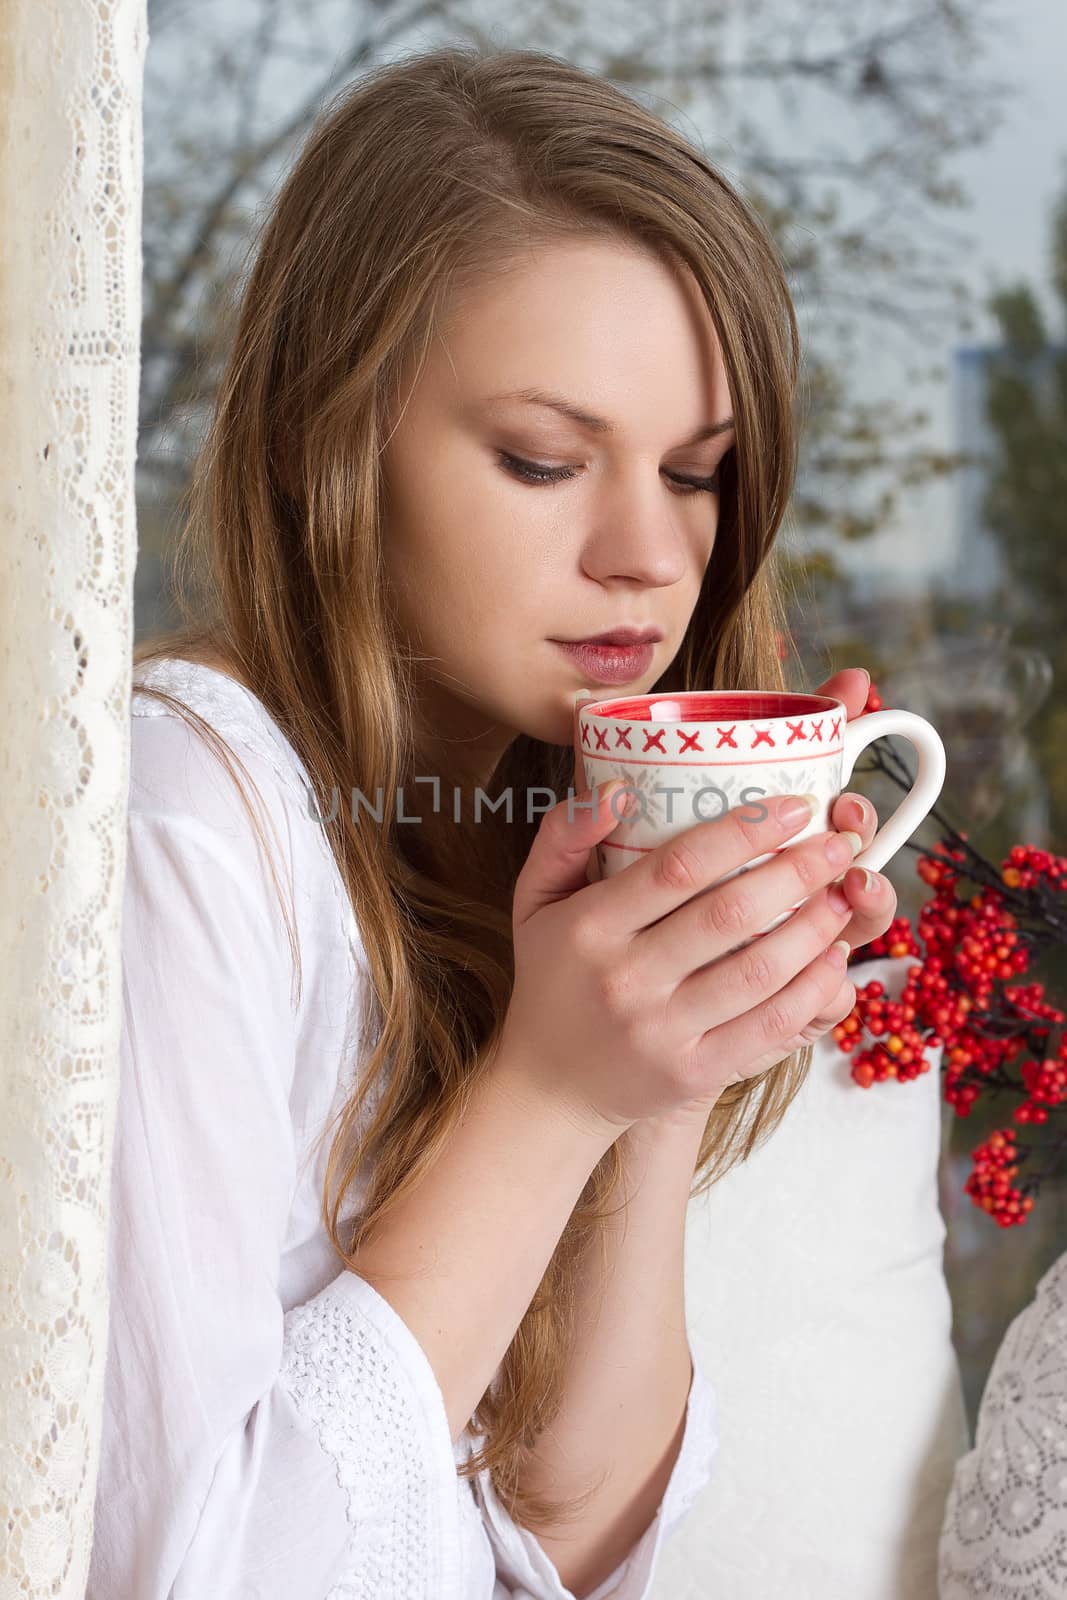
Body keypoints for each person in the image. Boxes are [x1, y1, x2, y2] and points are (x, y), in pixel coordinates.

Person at [88, 43, 896, 1600]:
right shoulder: (190, 818)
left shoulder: (523, 817)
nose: (649, 557)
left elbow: (568, 1540)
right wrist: (546, 1094)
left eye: (699, 475)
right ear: (336, 447)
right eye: (543, 459)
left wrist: (668, 1055)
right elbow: (186, 1578)